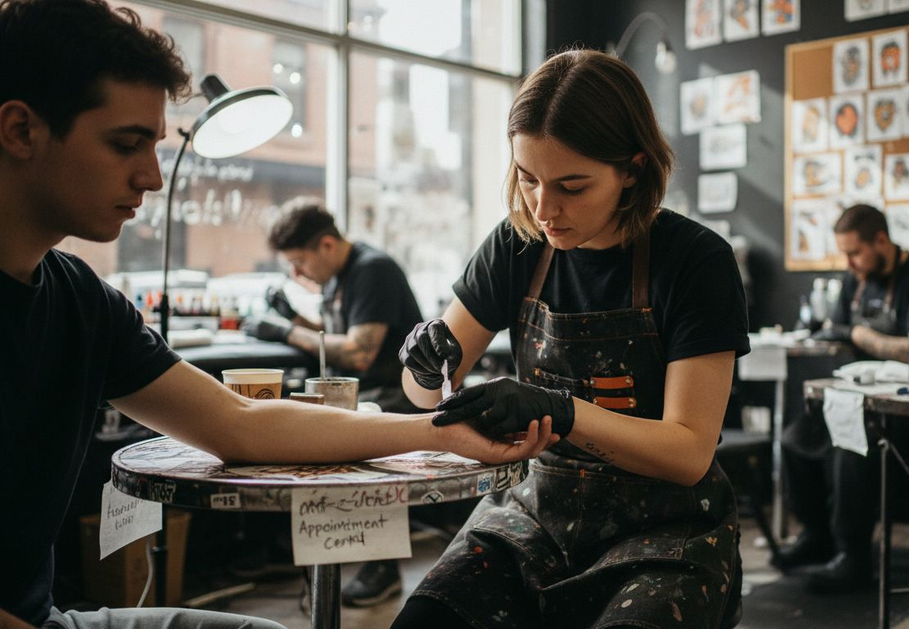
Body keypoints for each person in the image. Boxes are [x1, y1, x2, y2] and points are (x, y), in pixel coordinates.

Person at [0, 1, 556, 626]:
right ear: (21, 130)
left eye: (154, 146)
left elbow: (239, 424)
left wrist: (442, 435)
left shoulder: (81, 300)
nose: (153, 178)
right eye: (125, 144)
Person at [389, 49, 752, 629]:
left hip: (663, 528)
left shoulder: (695, 261)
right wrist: (427, 366)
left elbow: (687, 453)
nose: (544, 207)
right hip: (531, 516)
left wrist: (563, 413)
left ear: (632, 169)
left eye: (572, 186)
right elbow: (424, 393)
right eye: (527, 179)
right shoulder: (515, 246)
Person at [247, 200, 425, 606]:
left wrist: (286, 332)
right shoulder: (338, 276)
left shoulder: (372, 270)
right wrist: (293, 316)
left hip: (398, 395)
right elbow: (336, 331)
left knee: (347, 434)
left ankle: (382, 564)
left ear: (326, 245)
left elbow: (360, 351)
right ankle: (296, 548)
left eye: (299, 262)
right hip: (367, 390)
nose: (297, 274)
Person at [776, 204, 909, 592]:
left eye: (854, 253)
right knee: (794, 438)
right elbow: (839, 328)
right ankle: (815, 535)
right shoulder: (856, 279)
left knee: (850, 443)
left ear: (881, 240)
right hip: (859, 399)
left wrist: (864, 338)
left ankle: (853, 557)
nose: (849, 263)